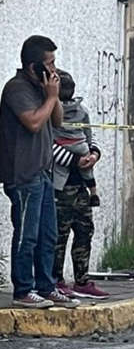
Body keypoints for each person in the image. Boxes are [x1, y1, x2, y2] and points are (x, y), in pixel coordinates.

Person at [0, 35, 79, 309]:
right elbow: (33, 122)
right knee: (27, 234)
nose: (54, 69)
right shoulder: (16, 89)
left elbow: (57, 120)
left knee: (48, 234)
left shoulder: (42, 89)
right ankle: (23, 289)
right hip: (23, 175)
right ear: (34, 67)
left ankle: (46, 286)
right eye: (50, 64)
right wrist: (51, 96)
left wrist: (52, 96)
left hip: (43, 173)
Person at [51, 70, 108, 299]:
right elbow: (49, 147)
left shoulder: (81, 112)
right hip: (60, 186)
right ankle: (56, 280)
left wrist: (94, 154)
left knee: (84, 231)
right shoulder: (50, 113)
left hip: (81, 187)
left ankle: (82, 280)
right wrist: (77, 160)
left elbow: (89, 137)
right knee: (59, 236)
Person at [52, 70, 100, 206]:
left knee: (59, 173)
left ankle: (57, 192)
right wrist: (90, 154)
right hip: (82, 147)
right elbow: (89, 134)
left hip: (63, 151)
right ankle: (94, 193)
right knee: (88, 171)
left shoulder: (50, 111)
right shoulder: (82, 110)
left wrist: (95, 154)